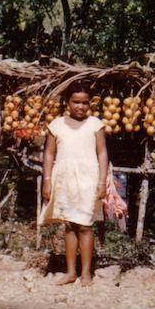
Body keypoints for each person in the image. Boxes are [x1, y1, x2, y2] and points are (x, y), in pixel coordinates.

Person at [39, 81, 108, 286]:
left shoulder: (96, 124)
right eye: (76, 102)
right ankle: (70, 272)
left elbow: (102, 153)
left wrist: (103, 181)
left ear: (90, 104)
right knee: (69, 225)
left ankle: (86, 273)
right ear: (67, 102)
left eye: (85, 103)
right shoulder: (56, 125)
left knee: (85, 225)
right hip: (64, 179)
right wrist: (47, 181)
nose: (80, 106)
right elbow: (49, 154)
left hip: (88, 179)